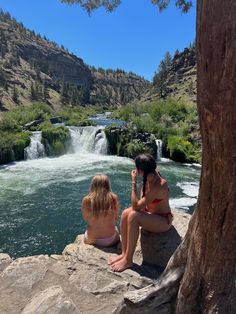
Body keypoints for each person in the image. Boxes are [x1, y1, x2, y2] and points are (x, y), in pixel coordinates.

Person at [109, 153, 173, 272]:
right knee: (125, 213)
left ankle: (128, 260)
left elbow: (136, 206)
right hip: (151, 215)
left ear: (141, 170)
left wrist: (133, 183)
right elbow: (141, 205)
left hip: (163, 220)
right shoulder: (150, 176)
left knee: (133, 216)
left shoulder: (159, 184)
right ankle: (124, 254)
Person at [82, 174, 120, 247]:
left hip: (91, 239)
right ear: (107, 185)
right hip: (111, 239)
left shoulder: (86, 200)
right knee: (116, 229)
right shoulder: (114, 198)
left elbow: (86, 218)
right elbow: (116, 217)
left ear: (93, 185)